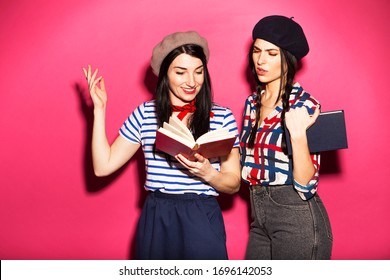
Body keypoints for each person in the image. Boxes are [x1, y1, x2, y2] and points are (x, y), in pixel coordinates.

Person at [83, 31, 240, 260]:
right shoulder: (146, 114)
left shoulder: (222, 117)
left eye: (199, 72)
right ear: (165, 73)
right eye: (180, 72)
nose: (192, 82)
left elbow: (233, 183)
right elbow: (102, 166)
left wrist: (208, 173)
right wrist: (99, 109)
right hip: (158, 215)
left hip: (201, 215)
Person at [240, 15, 333, 259]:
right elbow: (246, 164)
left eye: (272, 53)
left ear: (288, 59)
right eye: (257, 50)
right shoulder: (252, 103)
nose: (260, 60)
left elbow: (306, 186)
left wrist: (298, 135)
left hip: (295, 216)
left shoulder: (304, 106)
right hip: (258, 216)